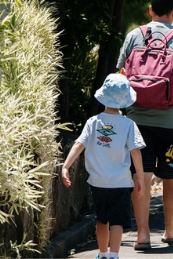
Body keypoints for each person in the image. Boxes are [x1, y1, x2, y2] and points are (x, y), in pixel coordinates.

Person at [116, 0, 173, 249]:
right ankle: (169, 229)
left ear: (150, 9)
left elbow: (121, 77)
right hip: (172, 121)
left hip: (137, 121)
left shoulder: (134, 36)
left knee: (141, 176)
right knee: (170, 175)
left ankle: (143, 235)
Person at [61, 73, 146, 259]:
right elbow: (136, 151)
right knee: (117, 222)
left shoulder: (93, 122)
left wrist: (66, 166)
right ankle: (114, 255)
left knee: (101, 219)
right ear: (125, 100)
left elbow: (79, 145)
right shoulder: (128, 124)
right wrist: (139, 175)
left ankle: (102, 253)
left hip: (98, 182)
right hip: (121, 183)